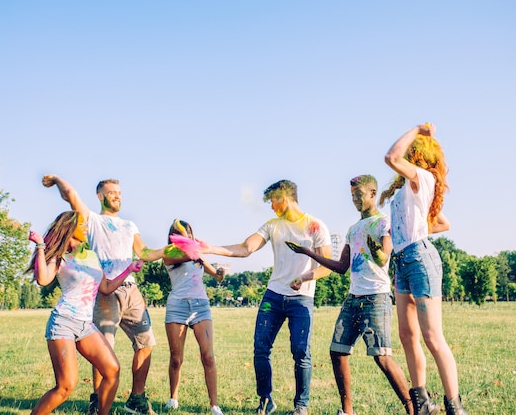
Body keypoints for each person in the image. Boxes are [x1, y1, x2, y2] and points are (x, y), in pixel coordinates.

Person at [286, 174, 413, 415]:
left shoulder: (383, 222)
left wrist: (378, 251)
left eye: (359, 195)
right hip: (353, 297)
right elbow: (342, 267)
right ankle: (347, 411)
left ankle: (412, 408)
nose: (355, 200)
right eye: (352, 196)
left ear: (373, 194)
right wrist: (308, 253)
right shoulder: (353, 229)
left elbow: (385, 255)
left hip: (376, 296)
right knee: (337, 351)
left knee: (382, 357)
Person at [203, 180, 332, 415]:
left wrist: (304, 278)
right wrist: (210, 248)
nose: (271, 206)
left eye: (273, 200)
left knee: (301, 351)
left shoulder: (315, 226)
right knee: (260, 349)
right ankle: (265, 399)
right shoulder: (273, 226)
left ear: (285, 197)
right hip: (273, 296)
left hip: (301, 298)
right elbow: (245, 248)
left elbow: (327, 265)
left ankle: (301, 406)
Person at [42, 175, 166, 415]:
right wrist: (58, 180)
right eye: (112, 192)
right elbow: (72, 196)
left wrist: (169, 250)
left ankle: (136, 398)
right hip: (105, 290)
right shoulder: (92, 221)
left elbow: (145, 252)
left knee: (146, 342)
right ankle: (98, 401)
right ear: (100, 196)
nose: (117, 196)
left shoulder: (130, 225)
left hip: (130, 288)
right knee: (104, 348)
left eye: (119, 192)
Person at [380, 123, 468, 415]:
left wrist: (417, 129)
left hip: (420, 259)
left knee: (432, 337)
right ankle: (422, 405)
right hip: (402, 262)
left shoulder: (424, 178)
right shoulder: (408, 188)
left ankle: (454, 407)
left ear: (417, 153)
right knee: (407, 336)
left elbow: (391, 157)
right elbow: (442, 223)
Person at [26, 211, 143, 415]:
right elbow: (43, 279)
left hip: (85, 325)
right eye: (82, 225)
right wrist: (40, 246)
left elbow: (105, 287)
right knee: (66, 386)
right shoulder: (61, 257)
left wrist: (129, 270)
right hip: (63, 322)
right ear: (71, 228)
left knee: (112, 370)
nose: (86, 227)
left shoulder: (92, 256)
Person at [162, 219, 226, 415]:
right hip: (177, 307)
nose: (186, 236)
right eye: (180, 233)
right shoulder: (169, 254)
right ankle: (173, 398)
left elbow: (216, 275)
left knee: (208, 356)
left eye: (188, 232)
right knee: (176, 359)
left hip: (201, 306)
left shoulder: (196, 255)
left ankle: (214, 405)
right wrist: (194, 250)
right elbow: (185, 256)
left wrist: (220, 273)